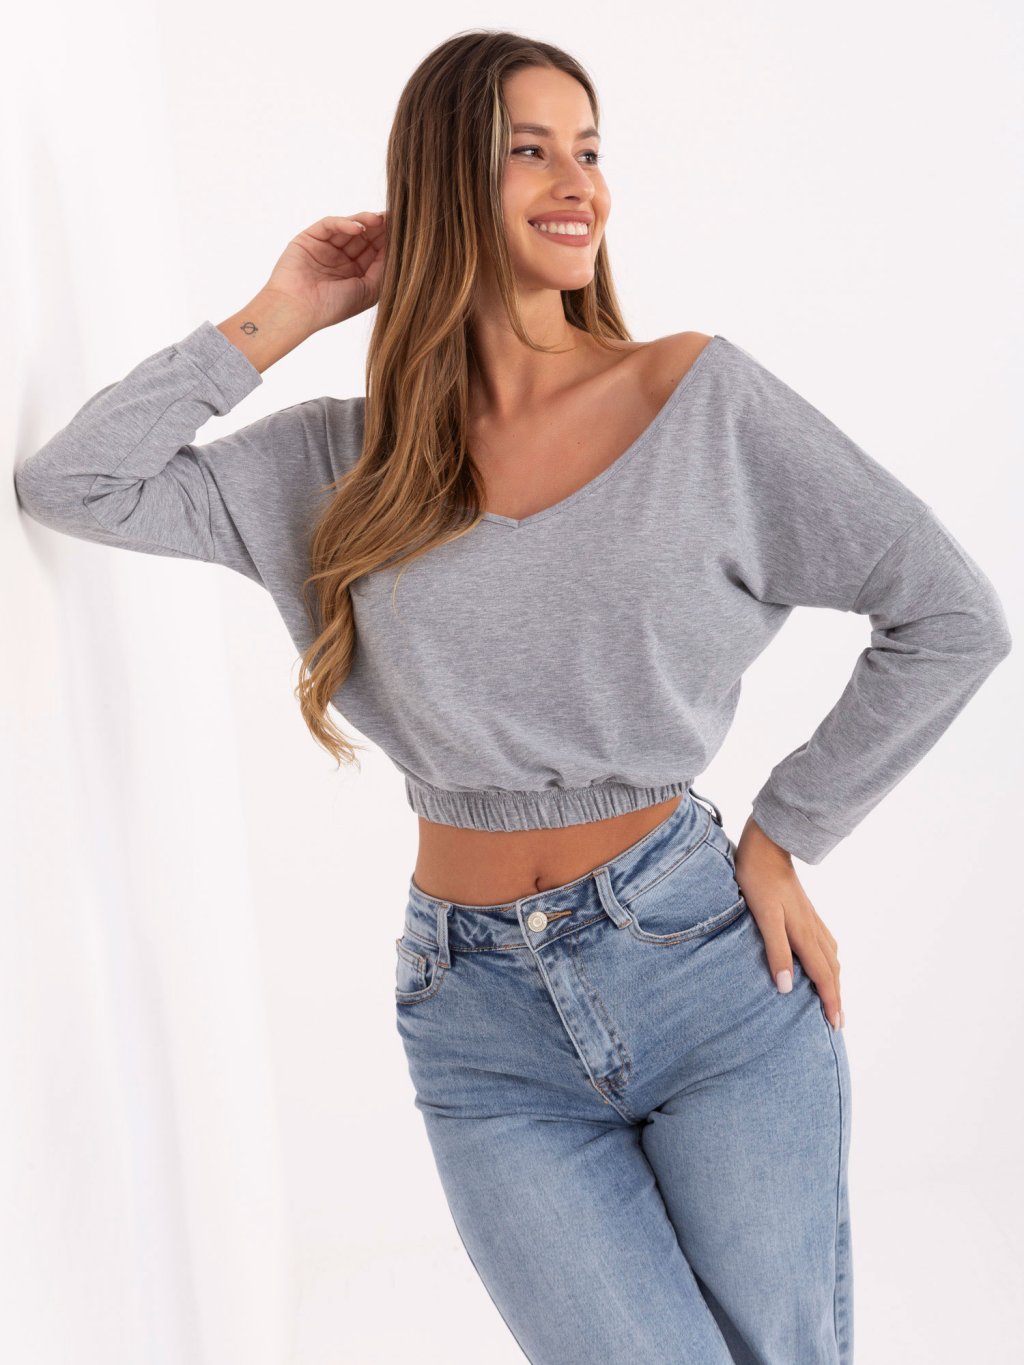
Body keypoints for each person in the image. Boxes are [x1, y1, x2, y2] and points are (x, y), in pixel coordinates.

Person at [13, 29, 1012, 1365]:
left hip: (702, 969)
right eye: (528, 151)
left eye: (588, 150)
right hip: (478, 1026)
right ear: (443, 183)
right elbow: (75, 484)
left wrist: (787, 833)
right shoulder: (340, 463)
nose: (576, 181)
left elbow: (949, 614)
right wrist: (283, 312)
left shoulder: (696, 399)